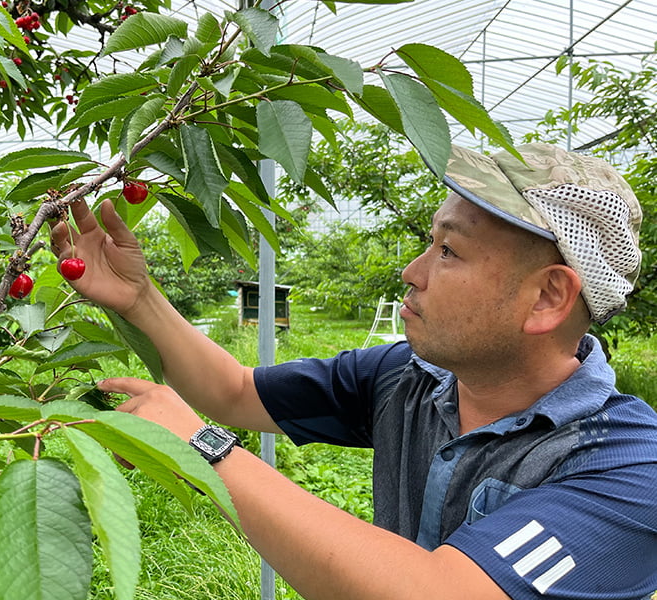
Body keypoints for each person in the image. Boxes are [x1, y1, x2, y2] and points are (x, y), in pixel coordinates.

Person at [50, 143, 657, 600]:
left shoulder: (627, 467)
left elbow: (437, 592)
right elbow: (235, 393)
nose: (412, 271)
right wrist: (140, 300)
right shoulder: (407, 378)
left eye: (449, 251)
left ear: (548, 298)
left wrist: (205, 447)